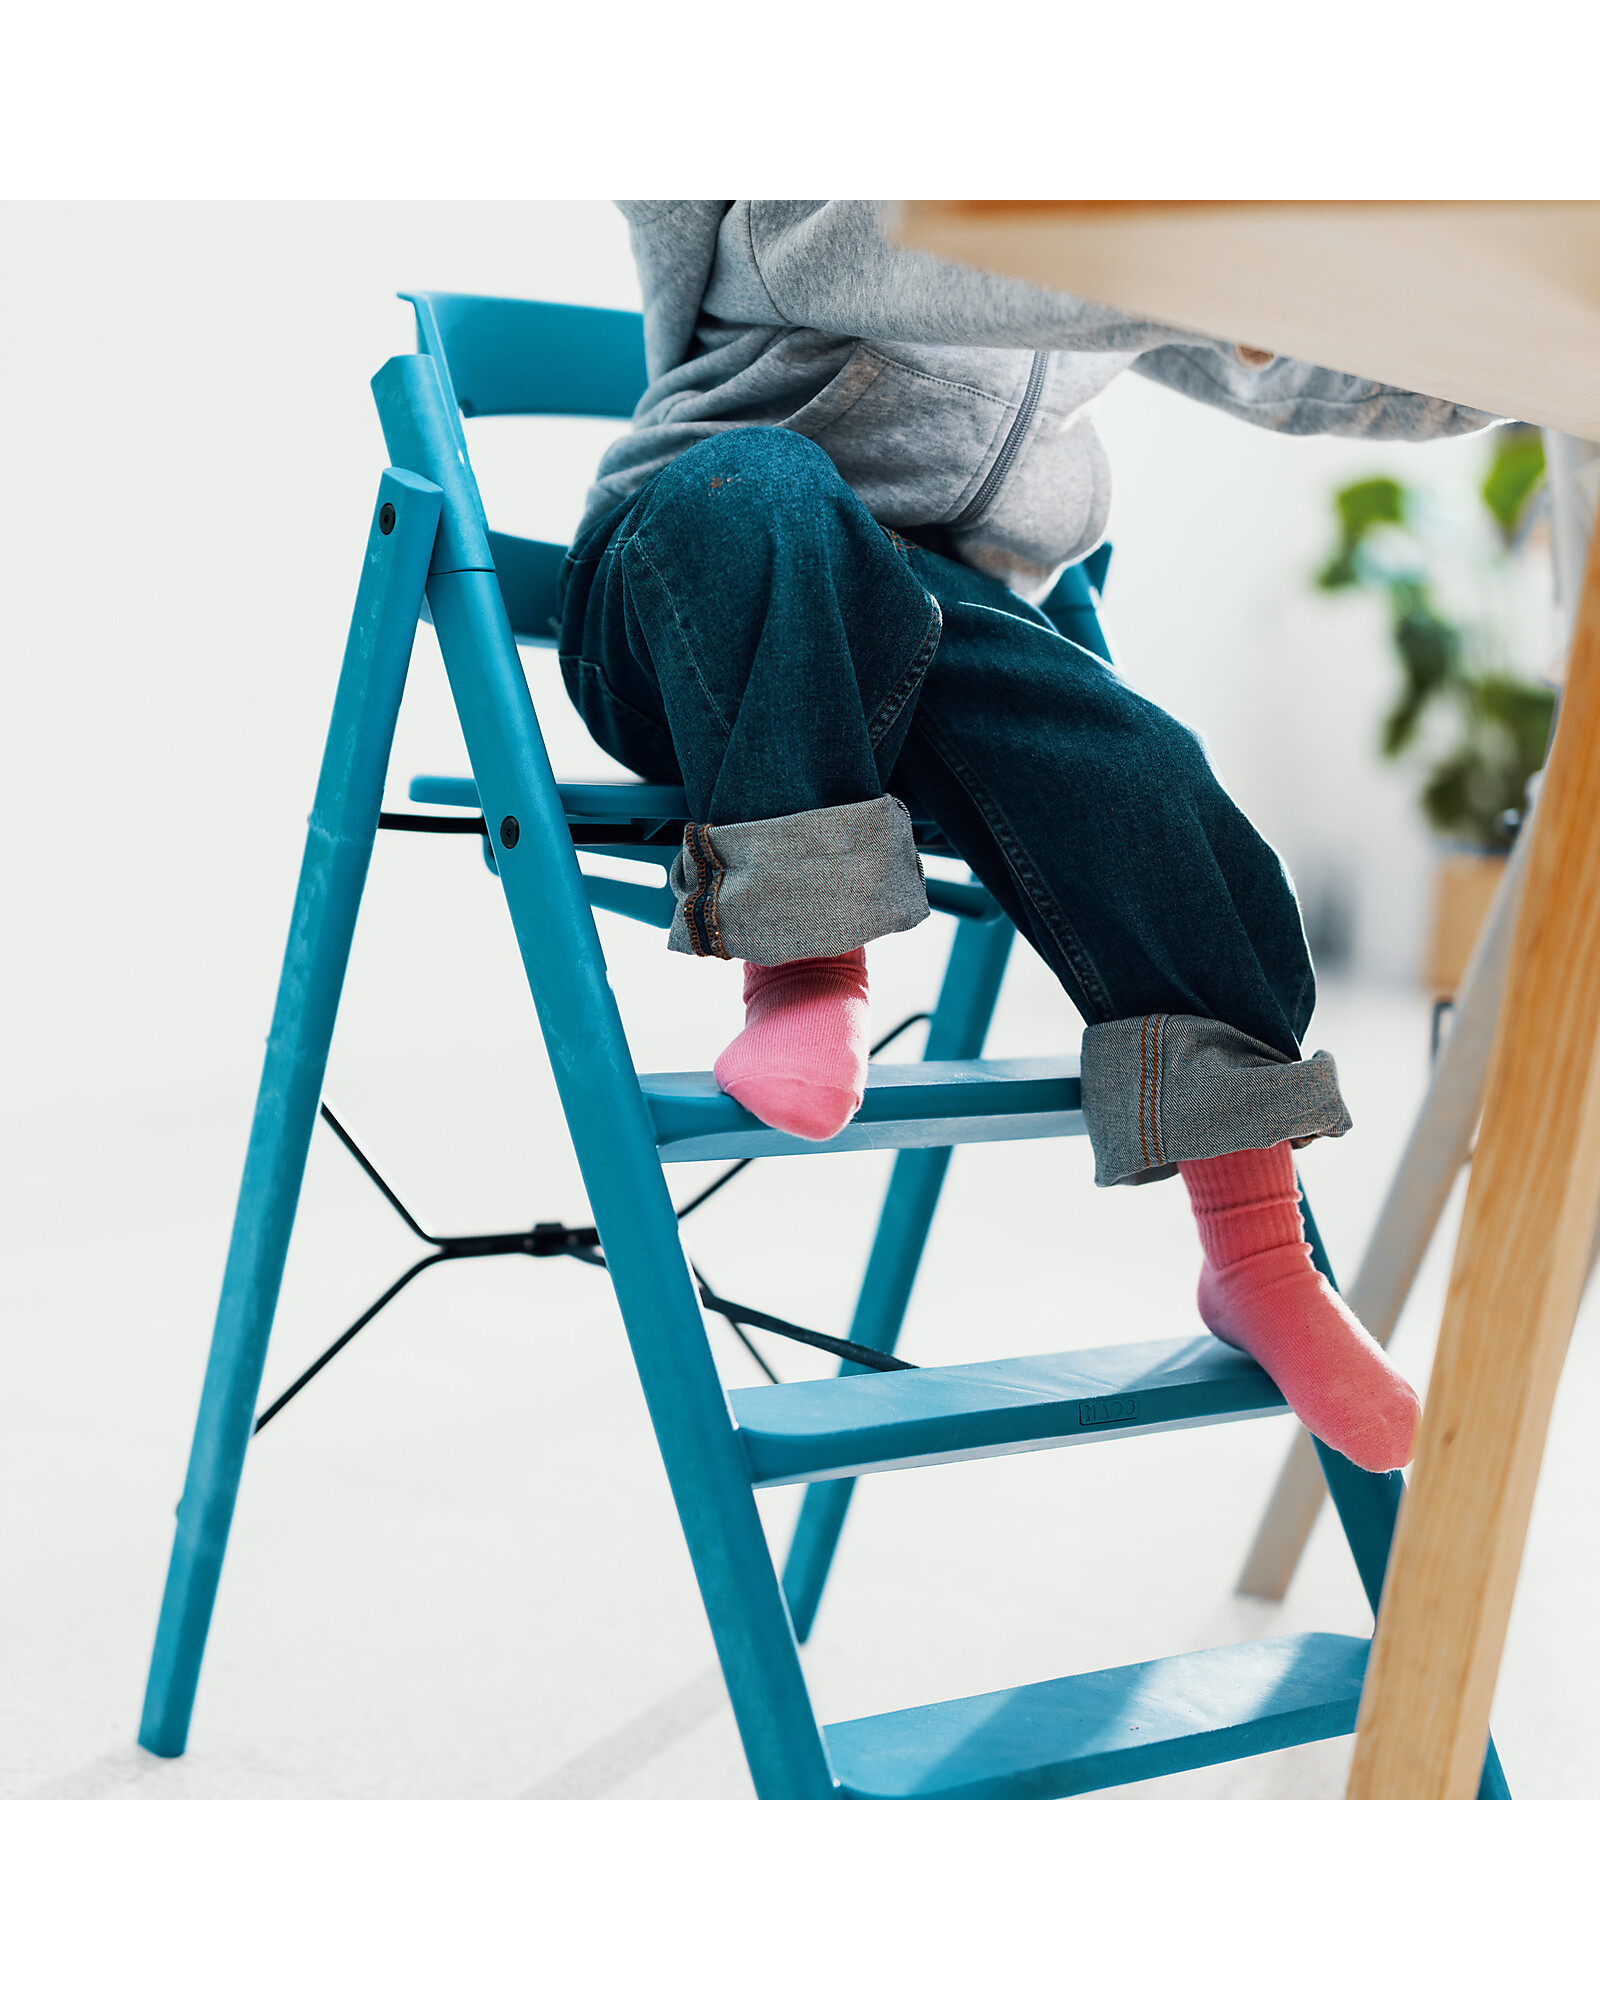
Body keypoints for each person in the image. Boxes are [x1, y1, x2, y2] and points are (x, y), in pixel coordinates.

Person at [557, 202, 1496, 1474]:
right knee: (766, 491)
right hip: (693, 584)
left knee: (1143, 776)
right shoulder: (819, 205)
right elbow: (918, 255)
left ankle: (1257, 1253)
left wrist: (1502, 361)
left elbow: (1286, 361)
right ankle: (804, 962)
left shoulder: (1100, 226)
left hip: (931, 613)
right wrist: (1177, 258)